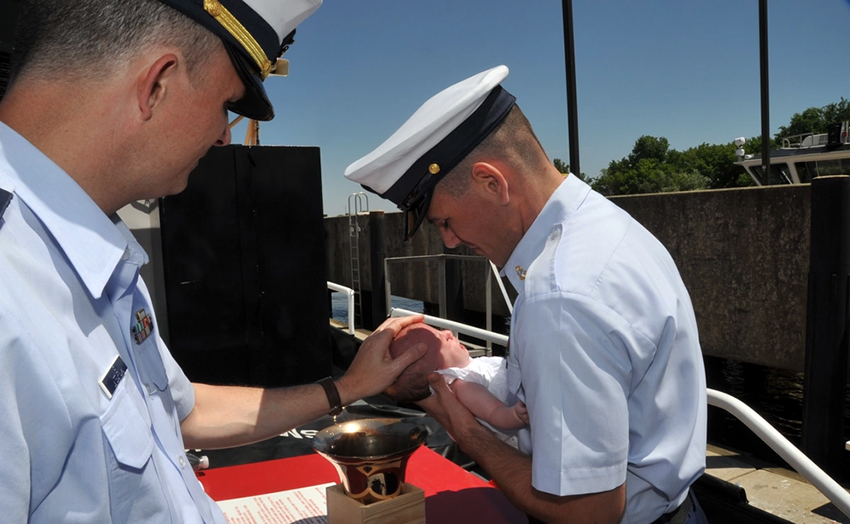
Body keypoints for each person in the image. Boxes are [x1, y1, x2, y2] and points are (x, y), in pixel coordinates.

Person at [0, 1, 425, 522]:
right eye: (226, 102)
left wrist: (349, 387)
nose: (224, 133)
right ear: (157, 83)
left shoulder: (92, 250)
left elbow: (181, 412)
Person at [344, 65, 708, 523]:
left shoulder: (560, 296)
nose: (450, 242)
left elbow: (588, 514)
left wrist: (464, 429)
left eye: (443, 221)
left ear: (491, 182)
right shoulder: (606, 226)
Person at [385, 322, 528, 443]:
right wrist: (516, 414)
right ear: (440, 370)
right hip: (518, 423)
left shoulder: (470, 369)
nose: (448, 332)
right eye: (444, 339)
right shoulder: (464, 386)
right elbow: (494, 412)